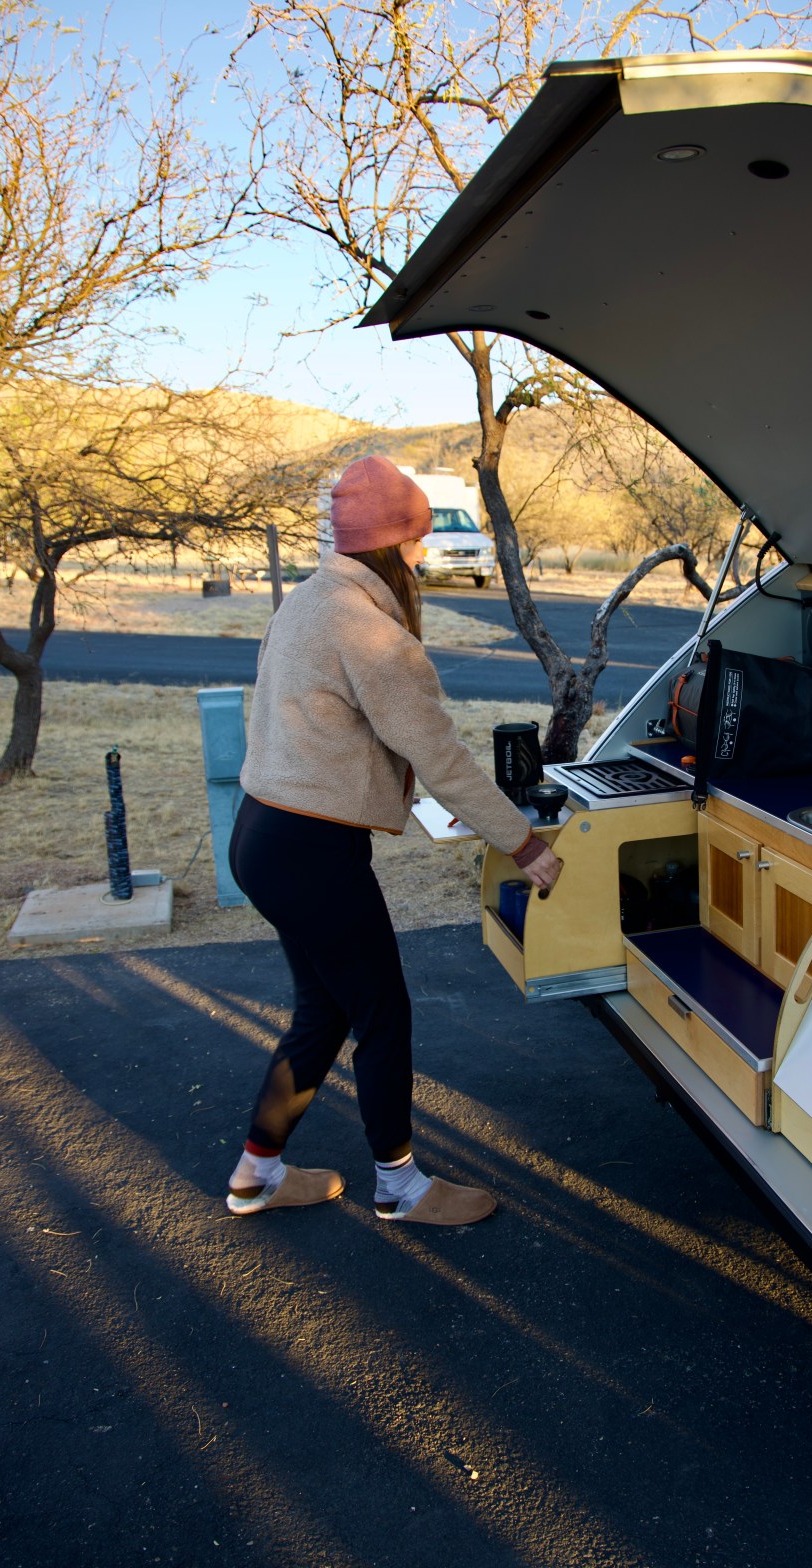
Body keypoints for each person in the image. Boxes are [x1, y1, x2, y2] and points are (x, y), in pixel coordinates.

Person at [224, 455, 561, 1226]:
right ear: (391, 546)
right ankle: (400, 1186)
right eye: (415, 543)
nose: (420, 557)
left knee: (323, 1011)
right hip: (311, 853)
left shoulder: (307, 600)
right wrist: (525, 843)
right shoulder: (370, 631)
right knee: (383, 1011)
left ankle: (256, 1173)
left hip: (263, 837)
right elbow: (440, 754)